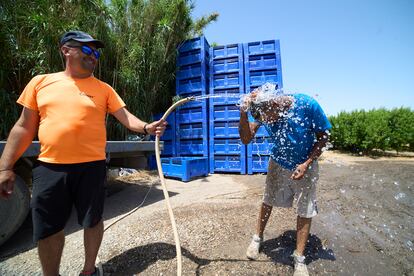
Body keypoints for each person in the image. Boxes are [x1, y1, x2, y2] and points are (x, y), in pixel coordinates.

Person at [0, 30, 167, 276]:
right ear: (65, 50)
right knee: (48, 229)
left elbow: (125, 117)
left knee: (93, 220)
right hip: (50, 167)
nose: (94, 56)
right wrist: (6, 166)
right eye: (87, 50)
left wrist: (145, 127)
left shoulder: (104, 88)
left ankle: (89, 270)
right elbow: (24, 127)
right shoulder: (41, 82)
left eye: (96, 52)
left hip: (92, 166)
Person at [239, 83, 331, 276]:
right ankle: (257, 238)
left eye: (267, 118)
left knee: (305, 208)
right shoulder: (264, 111)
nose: (267, 123)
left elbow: (324, 137)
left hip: (306, 162)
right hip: (278, 160)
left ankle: (299, 258)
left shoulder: (307, 104)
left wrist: (306, 163)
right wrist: (242, 114)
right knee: (268, 200)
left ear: (275, 103)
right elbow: (246, 139)